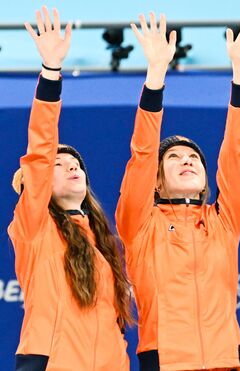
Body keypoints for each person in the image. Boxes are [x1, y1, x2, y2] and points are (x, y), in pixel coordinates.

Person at [115, 10, 240, 371]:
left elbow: (237, 152)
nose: (187, 161)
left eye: (193, 157)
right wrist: (155, 77)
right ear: (156, 179)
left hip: (227, 360)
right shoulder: (140, 224)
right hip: (165, 361)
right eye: (173, 157)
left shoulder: (224, 221)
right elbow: (141, 155)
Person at [9, 6, 132, 371]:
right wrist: (50, 72)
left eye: (75, 163)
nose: (72, 166)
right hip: (51, 362)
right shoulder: (35, 227)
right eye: (58, 166)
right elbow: (40, 149)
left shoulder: (102, 239)